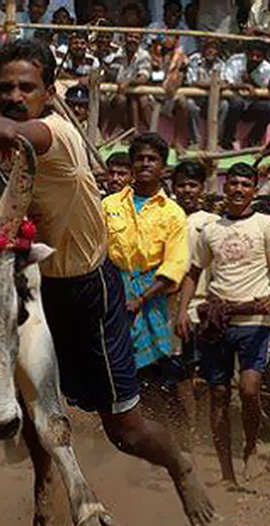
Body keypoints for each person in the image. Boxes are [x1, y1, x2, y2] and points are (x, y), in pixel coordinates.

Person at [0, 38, 214, 526]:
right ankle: (45, 482)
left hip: (88, 291)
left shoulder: (52, 134)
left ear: (49, 91)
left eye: (27, 87)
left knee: (123, 429)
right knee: (32, 405)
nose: (16, 96)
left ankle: (180, 466)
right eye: (6, 88)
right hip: (33, 288)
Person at [178, 163, 270, 486]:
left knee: (250, 390)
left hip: (255, 321)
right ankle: (226, 473)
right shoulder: (210, 229)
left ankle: (251, 446)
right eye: (233, 183)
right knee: (218, 393)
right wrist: (183, 311)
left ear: (254, 189)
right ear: (224, 187)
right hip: (218, 321)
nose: (238, 189)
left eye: (245, 184)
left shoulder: (269, 226)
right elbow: (193, 273)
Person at [102, 134, 190, 449]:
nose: (144, 164)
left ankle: (175, 441)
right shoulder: (109, 205)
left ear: (163, 167)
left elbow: (175, 266)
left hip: (154, 300)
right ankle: (129, 441)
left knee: (158, 376)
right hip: (113, 296)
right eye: (139, 158)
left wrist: (140, 298)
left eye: (152, 159)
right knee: (117, 373)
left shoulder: (173, 213)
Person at [172, 160, 219, 442]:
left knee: (209, 373)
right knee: (179, 372)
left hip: (203, 304)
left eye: (192, 185)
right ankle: (188, 429)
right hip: (169, 307)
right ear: (173, 187)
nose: (187, 190)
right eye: (181, 185)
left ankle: (205, 430)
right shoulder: (166, 216)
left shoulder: (210, 223)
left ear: (201, 188)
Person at [220, 41, 270, 150]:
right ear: (246, 53)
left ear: (264, 57)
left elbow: (262, 88)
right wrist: (242, 85)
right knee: (237, 103)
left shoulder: (267, 68)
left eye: (258, 56)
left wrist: (250, 81)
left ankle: (253, 141)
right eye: (252, 55)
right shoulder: (235, 61)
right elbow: (226, 82)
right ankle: (227, 140)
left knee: (269, 109)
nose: (254, 58)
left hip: (251, 104)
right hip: (233, 100)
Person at [175, 38, 228, 150]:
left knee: (224, 105)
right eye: (208, 48)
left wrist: (208, 84)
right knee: (189, 104)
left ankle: (215, 142)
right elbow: (193, 82)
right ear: (203, 49)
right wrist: (213, 84)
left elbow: (225, 83)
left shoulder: (220, 63)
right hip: (196, 98)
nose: (211, 51)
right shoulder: (195, 59)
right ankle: (195, 141)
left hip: (212, 100)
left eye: (214, 49)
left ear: (218, 51)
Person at [105, 32, 152, 135]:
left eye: (136, 37)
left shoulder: (143, 54)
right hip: (116, 92)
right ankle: (108, 133)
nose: (133, 39)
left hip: (134, 93)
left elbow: (144, 77)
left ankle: (151, 134)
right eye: (130, 36)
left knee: (142, 100)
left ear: (140, 41)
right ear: (125, 38)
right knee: (121, 100)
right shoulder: (116, 53)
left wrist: (128, 81)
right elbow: (111, 75)